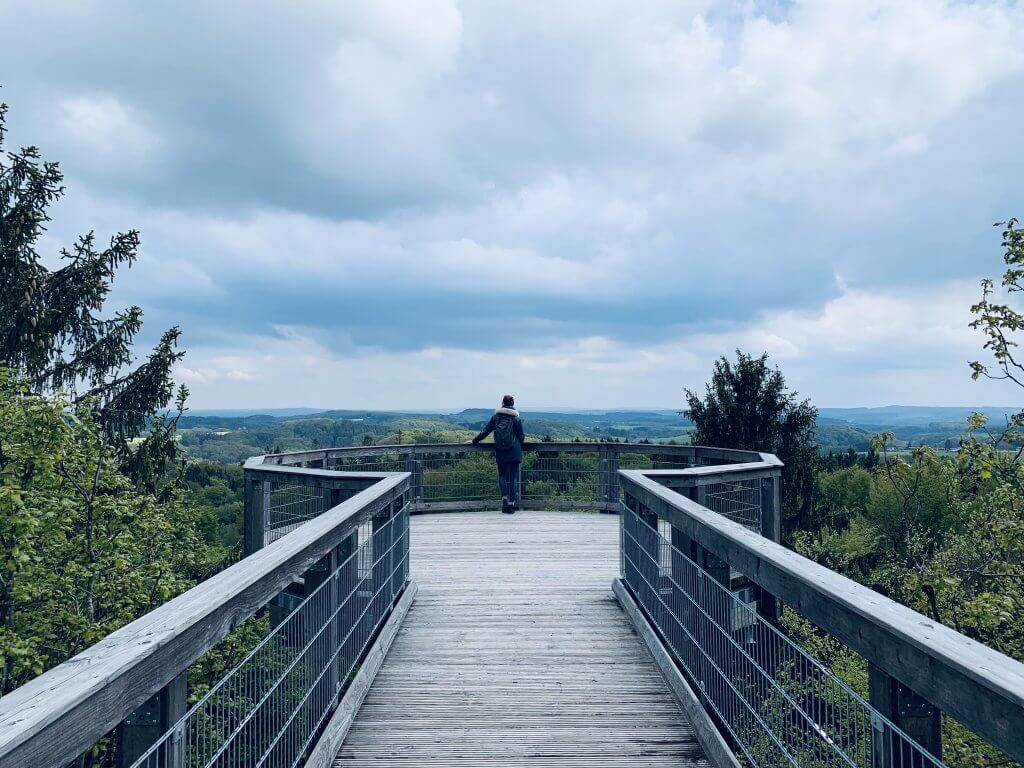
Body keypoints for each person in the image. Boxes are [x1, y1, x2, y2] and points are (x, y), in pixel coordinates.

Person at [471, 395, 526, 514]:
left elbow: (485, 431)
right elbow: (521, 437)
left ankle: (504, 501)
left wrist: (474, 441)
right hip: (514, 450)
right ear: (513, 404)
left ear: (502, 403)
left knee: (502, 476)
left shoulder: (496, 417)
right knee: (513, 478)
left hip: (501, 450)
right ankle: (511, 504)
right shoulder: (516, 419)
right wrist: (517, 444)